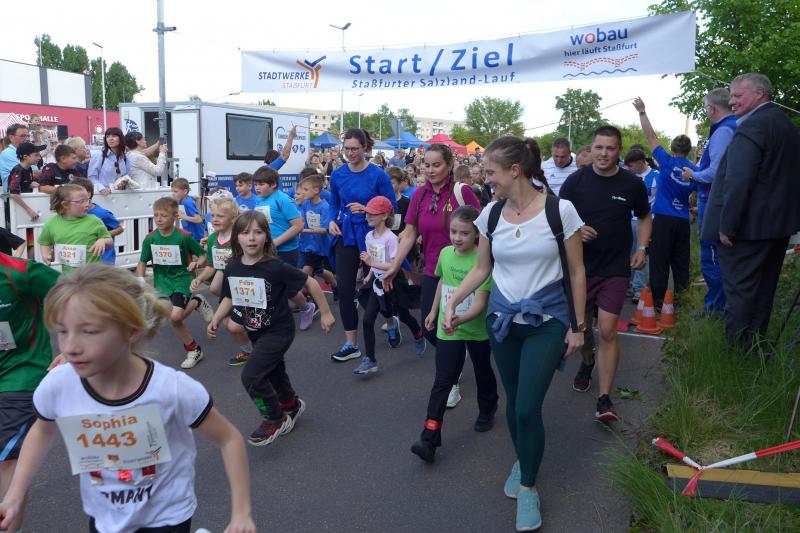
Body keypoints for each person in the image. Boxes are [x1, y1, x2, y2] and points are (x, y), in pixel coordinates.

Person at [0, 264, 256, 533]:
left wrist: (241, 514)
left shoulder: (171, 389)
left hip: (166, 516)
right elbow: (41, 430)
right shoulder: (58, 384)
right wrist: (14, 497)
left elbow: (229, 438)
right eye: (63, 331)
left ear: (131, 331)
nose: (70, 347)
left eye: (89, 331)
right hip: (104, 516)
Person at [443, 136, 585, 531]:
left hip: (547, 320)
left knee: (526, 407)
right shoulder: (490, 214)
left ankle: (528, 487)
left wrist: (578, 327)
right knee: (513, 399)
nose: (486, 178)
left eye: (491, 172)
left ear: (515, 171)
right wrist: (454, 302)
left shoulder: (560, 211)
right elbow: (481, 268)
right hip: (502, 321)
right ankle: (524, 459)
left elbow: (577, 271)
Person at [208, 210, 335, 446]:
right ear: (236, 238)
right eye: (245, 233)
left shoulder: (274, 266)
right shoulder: (232, 267)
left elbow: (309, 282)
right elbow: (229, 296)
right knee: (274, 371)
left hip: (279, 331)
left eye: (258, 232)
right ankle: (291, 404)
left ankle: (275, 418)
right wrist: (216, 318)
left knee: (251, 376)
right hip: (255, 330)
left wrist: (326, 313)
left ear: (266, 236)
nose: (251, 238)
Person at [701, 73, 800, 348]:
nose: (731, 101)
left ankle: (737, 354)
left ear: (759, 94)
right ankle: (755, 348)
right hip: (778, 228)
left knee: (740, 294)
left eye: (737, 95)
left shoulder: (753, 126)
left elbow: (738, 180)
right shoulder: (785, 124)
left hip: (747, 230)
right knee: (763, 292)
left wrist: (727, 225)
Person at [559, 126, 650, 421]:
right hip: (580, 269)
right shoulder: (575, 182)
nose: (603, 154)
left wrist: (642, 248)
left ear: (618, 151)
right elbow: (557, 219)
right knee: (583, 328)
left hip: (615, 268)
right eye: (599, 147)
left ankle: (604, 399)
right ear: (591, 148)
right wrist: (576, 229)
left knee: (608, 329)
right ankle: (588, 361)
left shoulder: (632, 184)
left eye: (610, 148)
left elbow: (645, 216)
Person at [383, 143, 481, 407]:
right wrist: (395, 265)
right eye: (426, 164)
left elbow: (481, 230)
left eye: (437, 164)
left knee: (460, 329)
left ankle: (452, 380)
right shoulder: (419, 195)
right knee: (430, 328)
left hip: (464, 272)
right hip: (433, 269)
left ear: (449, 165)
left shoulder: (462, 192)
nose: (430, 170)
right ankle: (455, 358)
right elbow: (410, 233)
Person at [410, 205, 498, 463]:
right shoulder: (446, 253)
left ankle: (488, 408)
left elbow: (480, 301)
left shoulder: (482, 261)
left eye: (465, 233)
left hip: (475, 328)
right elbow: (442, 281)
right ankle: (429, 437)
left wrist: (460, 319)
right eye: (454, 231)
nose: (457, 238)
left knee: (482, 370)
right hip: (448, 326)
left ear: (477, 234)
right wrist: (434, 311)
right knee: (443, 379)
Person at [326, 128, 397, 363]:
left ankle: (390, 321)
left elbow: (391, 208)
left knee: (378, 286)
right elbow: (334, 202)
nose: (350, 153)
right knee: (346, 288)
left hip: (372, 236)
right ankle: (351, 344)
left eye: (355, 149)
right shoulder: (338, 175)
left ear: (365, 148)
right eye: (346, 148)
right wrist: (331, 221)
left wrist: (367, 209)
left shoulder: (378, 175)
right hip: (346, 233)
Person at [0, 253, 59, 533]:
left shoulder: (19, 272)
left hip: (20, 376)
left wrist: (73, 349)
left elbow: (80, 298)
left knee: (5, 461)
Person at [136, 196, 213, 369]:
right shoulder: (150, 239)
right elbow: (142, 262)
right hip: (162, 283)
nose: (159, 219)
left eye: (163, 216)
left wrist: (197, 263)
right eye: (156, 215)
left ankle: (193, 350)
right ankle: (197, 302)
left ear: (175, 216)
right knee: (170, 318)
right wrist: (140, 281)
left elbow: (203, 255)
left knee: (175, 317)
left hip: (182, 279)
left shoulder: (184, 237)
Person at [634, 98, 697, 310]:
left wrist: (642, 112)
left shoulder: (666, 161)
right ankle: (683, 302)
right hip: (682, 220)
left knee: (659, 261)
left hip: (663, 219)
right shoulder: (695, 170)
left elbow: (650, 136)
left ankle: (659, 302)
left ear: (671, 148)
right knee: (681, 263)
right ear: (689, 150)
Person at [354, 196, 426, 374]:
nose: (368, 216)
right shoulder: (369, 236)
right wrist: (369, 275)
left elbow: (395, 265)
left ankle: (418, 333)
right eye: (367, 213)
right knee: (368, 320)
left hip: (394, 281)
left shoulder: (391, 238)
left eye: (373, 213)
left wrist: (371, 263)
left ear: (385, 216)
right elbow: (374, 261)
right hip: (378, 282)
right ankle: (370, 360)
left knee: (403, 314)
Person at [682, 88, 737, 317]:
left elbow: (716, 172)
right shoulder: (735, 125)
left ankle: (715, 309)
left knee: (712, 255)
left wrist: (692, 175)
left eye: (706, 108)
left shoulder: (723, 131)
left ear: (711, 109)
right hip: (719, 200)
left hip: (714, 200)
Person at [252, 166, 319, 330]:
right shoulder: (259, 200)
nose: (257, 188)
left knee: (288, 288)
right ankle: (273, 316)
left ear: (273, 184)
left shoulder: (283, 200)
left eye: (261, 184)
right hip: (265, 251)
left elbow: (298, 226)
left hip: (286, 251)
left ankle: (307, 307)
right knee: (267, 284)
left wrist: (275, 242)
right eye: (256, 184)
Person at [38, 185, 113, 271]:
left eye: (88, 200)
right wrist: (46, 254)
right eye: (82, 201)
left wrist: (103, 241)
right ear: (65, 204)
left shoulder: (94, 221)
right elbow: (45, 242)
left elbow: (109, 241)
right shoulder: (51, 223)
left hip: (92, 274)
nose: (87, 204)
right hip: (68, 276)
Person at [622, 149, 658, 303]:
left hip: (647, 221)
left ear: (640, 162)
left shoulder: (657, 176)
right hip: (628, 221)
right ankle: (628, 285)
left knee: (643, 253)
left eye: (630, 166)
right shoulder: (627, 177)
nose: (628, 169)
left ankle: (639, 288)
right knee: (629, 253)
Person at [298, 174, 338, 299]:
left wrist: (302, 230)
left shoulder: (324, 207)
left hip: (319, 246)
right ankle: (336, 286)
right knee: (319, 271)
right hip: (307, 244)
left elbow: (323, 230)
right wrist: (298, 226)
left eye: (305, 190)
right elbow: (302, 219)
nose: (303, 193)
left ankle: (305, 299)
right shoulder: (305, 204)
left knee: (306, 272)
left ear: (316, 190)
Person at [71, 178, 124, 265]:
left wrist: (103, 236)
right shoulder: (72, 213)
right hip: (85, 260)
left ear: (88, 194)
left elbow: (119, 228)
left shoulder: (102, 213)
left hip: (104, 259)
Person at [8, 142, 47, 223]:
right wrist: (29, 210)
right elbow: (13, 194)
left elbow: (23, 185)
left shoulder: (29, 169)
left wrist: (30, 185)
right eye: (36, 155)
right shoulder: (17, 170)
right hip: (18, 212)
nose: (39, 158)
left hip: (26, 208)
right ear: (25, 156)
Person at [88, 127, 127, 195]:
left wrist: (123, 183)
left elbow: (126, 176)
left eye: (114, 136)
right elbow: (91, 177)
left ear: (120, 138)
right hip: (103, 195)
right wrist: (101, 188)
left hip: (120, 195)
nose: (110, 139)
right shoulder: (99, 155)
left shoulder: (124, 157)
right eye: (107, 136)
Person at [170, 178, 206, 243]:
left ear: (185, 191)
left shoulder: (187, 202)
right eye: (172, 191)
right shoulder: (183, 199)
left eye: (175, 191)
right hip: (190, 235)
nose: (173, 193)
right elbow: (198, 198)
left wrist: (183, 216)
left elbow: (199, 219)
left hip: (196, 236)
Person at [0, 124, 33, 194]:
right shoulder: (7, 153)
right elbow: (28, 173)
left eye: (28, 136)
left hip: (29, 195)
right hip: (14, 197)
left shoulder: (29, 152)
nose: (27, 139)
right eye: (23, 136)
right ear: (11, 137)